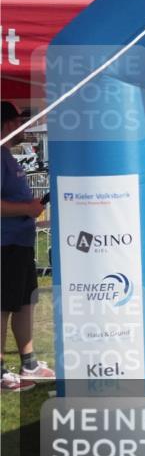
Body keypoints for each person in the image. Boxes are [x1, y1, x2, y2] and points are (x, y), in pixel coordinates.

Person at [1, 102, 54, 392]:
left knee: (24, 303)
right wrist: (26, 208)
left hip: (20, 243)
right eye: (22, 119)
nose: (27, 125)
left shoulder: (7, 155)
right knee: (3, 307)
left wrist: (30, 209)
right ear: (10, 123)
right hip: (4, 245)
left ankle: (29, 362)